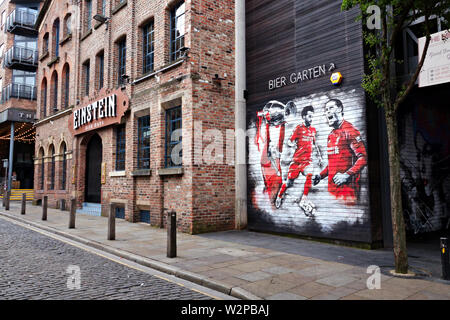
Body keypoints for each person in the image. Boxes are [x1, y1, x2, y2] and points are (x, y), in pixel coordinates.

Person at [313, 99, 367, 205]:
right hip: (332, 191)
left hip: (347, 192)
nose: (327, 111)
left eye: (331, 108)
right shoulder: (331, 135)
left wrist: (346, 175)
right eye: (326, 109)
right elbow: (334, 163)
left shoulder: (350, 131)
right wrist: (320, 175)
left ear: (340, 109)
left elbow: (363, 158)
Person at [275, 105, 318, 216]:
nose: (311, 118)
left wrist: (318, 154)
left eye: (312, 116)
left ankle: (303, 199)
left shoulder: (313, 130)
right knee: (288, 183)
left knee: (310, 174)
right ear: (304, 117)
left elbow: (314, 143)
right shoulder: (299, 128)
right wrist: (292, 145)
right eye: (309, 116)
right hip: (297, 162)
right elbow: (290, 141)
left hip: (307, 161)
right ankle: (279, 195)